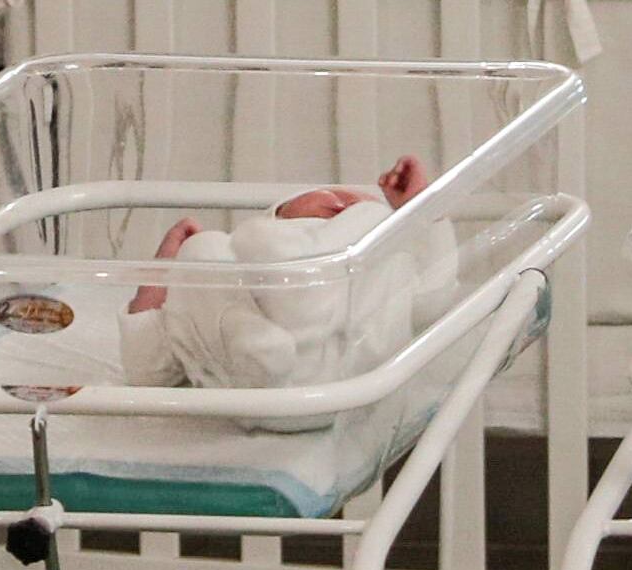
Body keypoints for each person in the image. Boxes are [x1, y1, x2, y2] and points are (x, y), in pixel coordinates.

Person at [118, 156, 458, 420]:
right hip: (251, 387)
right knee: (202, 251)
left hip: (336, 380)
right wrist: (164, 267)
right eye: (324, 197)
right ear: (276, 216)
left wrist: (424, 208)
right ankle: (256, 332)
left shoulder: (387, 262)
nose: (340, 201)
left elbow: (436, 298)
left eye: (351, 201)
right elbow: (147, 370)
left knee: (368, 229)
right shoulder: (235, 262)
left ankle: (286, 303)